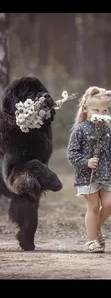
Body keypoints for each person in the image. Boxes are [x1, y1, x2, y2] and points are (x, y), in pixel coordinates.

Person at [67, 86, 111, 252]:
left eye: (105, 110)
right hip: (87, 175)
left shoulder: (107, 129)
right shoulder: (79, 129)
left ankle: (95, 227)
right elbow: (72, 154)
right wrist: (86, 162)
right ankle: (92, 240)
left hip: (106, 174)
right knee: (93, 206)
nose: (101, 113)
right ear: (85, 108)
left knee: (109, 203)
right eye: (96, 110)